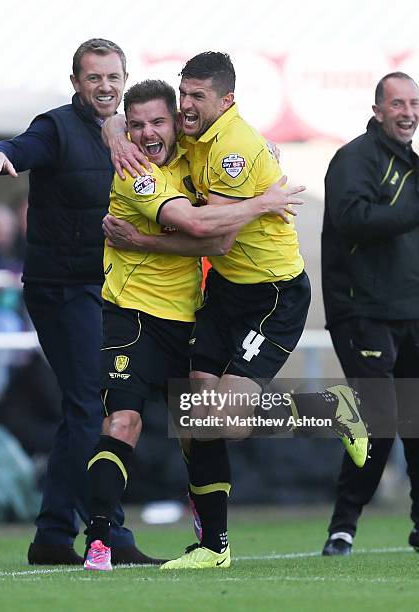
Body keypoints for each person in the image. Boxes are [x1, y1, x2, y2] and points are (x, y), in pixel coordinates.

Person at [104, 52, 369, 570]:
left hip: (271, 296)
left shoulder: (235, 146)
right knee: (194, 416)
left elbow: (215, 237)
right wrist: (116, 129)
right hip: (225, 294)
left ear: (226, 100)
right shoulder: (191, 135)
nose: (184, 107)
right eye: (183, 95)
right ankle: (213, 548)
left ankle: (334, 409)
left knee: (220, 417)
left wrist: (140, 239)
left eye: (196, 97)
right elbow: (129, 117)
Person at [83, 78, 305, 571]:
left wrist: (115, 128)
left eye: (158, 121)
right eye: (137, 125)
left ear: (177, 124)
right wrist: (264, 203)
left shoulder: (195, 151)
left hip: (192, 314)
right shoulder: (136, 174)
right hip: (133, 317)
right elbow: (205, 231)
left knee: (205, 424)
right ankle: (99, 542)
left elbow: (218, 239)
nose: (146, 133)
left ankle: (215, 543)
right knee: (124, 421)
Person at [0, 38, 160, 566]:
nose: (104, 86)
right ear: (77, 81)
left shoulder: (133, 134)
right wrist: (1, 153)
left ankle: (54, 536)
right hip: (61, 289)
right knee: (91, 404)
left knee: (87, 408)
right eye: (94, 77)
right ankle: (110, 536)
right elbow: (23, 145)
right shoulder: (55, 126)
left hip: (108, 289)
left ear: (124, 82)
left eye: (112, 78)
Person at [321, 71, 419, 556]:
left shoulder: (411, 165)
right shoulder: (354, 159)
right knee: (376, 421)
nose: (408, 113)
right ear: (378, 109)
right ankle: (344, 526)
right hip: (364, 313)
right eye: (398, 104)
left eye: (414, 104)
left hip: (411, 313)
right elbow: (352, 218)